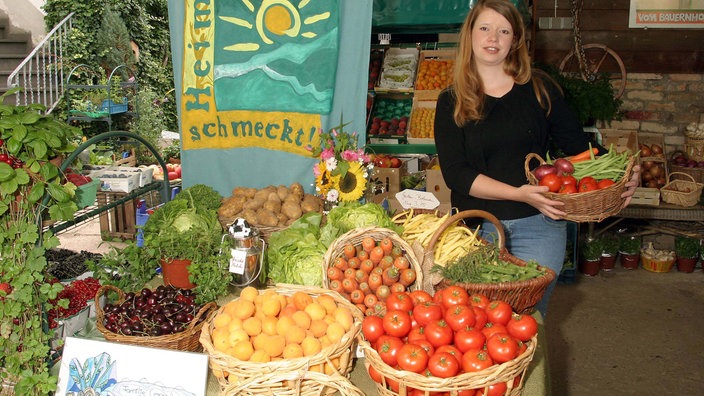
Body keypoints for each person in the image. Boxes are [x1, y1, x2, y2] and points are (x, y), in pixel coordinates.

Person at [433, 0, 640, 316]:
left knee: (531, 320)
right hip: (476, 231)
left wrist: (625, 172)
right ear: (470, 35)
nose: (493, 38)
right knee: (481, 325)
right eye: (485, 28)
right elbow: (456, 173)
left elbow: (579, 148)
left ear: (515, 41)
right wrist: (518, 193)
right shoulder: (451, 101)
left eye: (504, 31)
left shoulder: (539, 90)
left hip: (539, 226)